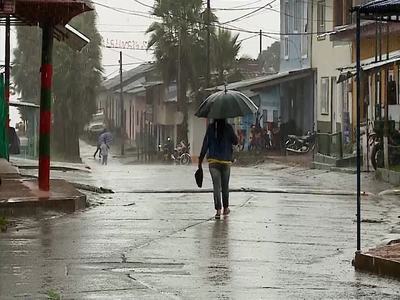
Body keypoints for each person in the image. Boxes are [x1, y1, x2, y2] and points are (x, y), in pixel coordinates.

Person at [198, 119, 238, 219]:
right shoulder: (228, 127)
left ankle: (218, 211)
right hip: (225, 161)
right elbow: (235, 141)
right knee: (225, 186)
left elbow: (205, 144)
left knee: (216, 186)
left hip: (213, 162)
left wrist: (200, 160)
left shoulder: (211, 128)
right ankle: (225, 208)